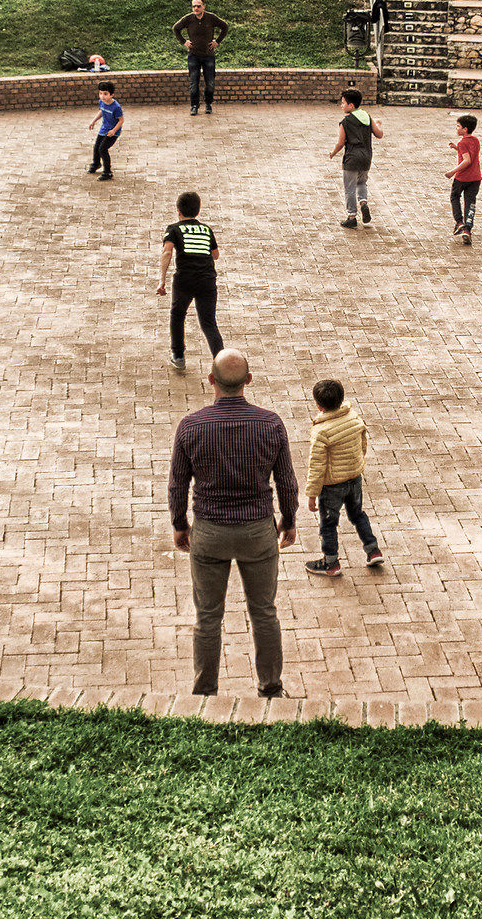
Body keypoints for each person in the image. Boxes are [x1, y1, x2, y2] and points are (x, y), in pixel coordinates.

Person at [168, 348, 298, 697]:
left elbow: (177, 483)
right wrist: (289, 519)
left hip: (209, 531)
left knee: (207, 618)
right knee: (264, 613)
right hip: (257, 531)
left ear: (211, 380)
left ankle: (205, 690)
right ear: (248, 381)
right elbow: (286, 481)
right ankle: (270, 687)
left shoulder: (191, 426)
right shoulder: (270, 424)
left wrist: (180, 524)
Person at [303, 378, 383, 577]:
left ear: (318, 405)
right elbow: (363, 444)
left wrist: (312, 494)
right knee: (358, 514)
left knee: (329, 523)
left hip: (332, 486)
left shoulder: (320, 431)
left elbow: (317, 466)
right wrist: (358, 465)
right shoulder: (354, 418)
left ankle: (331, 562)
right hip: (354, 478)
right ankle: (373, 550)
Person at [156, 191, 224, 369]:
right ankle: (221, 361)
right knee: (209, 323)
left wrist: (162, 281)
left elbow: (167, 252)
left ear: (178, 211)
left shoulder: (173, 229)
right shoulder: (206, 229)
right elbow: (215, 255)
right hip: (207, 280)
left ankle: (178, 356)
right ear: (198, 211)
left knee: (178, 315)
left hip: (185, 279)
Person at [328, 88, 383, 229]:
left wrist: (333, 153)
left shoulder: (345, 122)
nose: (341, 105)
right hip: (366, 157)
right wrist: (378, 124)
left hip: (352, 158)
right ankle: (363, 202)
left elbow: (341, 143)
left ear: (350, 106)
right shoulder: (367, 117)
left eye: (343, 103)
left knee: (350, 188)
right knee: (362, 183)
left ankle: (352, 216)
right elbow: (379, 134)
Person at [172, 0, 230, 116]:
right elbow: (175, 28)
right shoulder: (188, 19)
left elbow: (225, 27)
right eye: (194, 6)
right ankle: (194, 106)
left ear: (204, 6)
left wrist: (217, 42)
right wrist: (184, 42)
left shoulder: (211, 18)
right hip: (193, 55)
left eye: (198, 6)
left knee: (210, 83)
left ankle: (208, 104)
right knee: (194, 83)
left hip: (208, 55)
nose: (196, 8)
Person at [446, 113, 482, 246]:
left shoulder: (463, 143)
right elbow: (469, 152)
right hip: (476, 178)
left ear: (465, 129)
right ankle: (467, 230)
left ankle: (459, 222)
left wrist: (452, 172)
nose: (456, 128)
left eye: (458, 126)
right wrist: (457, 148)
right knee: (470, 202)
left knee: (454, 197)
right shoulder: (475, 140)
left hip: (462, 178)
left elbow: (467, 160)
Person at [88, 82, 124, 181]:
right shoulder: (102, 102)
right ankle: (96, 164)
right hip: (104, 129)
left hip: (113, 132)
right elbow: (101, 111)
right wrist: (93, 121)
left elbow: (121, 120)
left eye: (105, 94)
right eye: (100, 93)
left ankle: (108, 172)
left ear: (112, 94)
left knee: (103, 149)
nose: (102, 96)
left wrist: (113, 131)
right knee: (96, 147)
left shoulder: (116, 107)